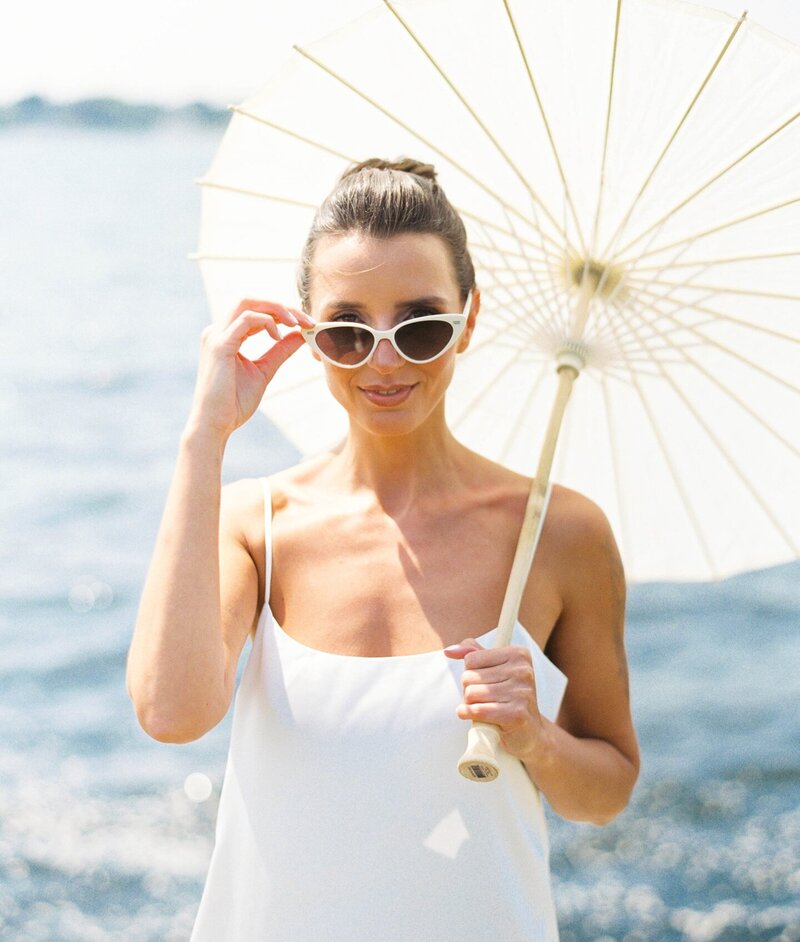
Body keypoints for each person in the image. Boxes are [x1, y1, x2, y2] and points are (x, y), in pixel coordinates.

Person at [126, 158, 640, 941]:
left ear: (469, 319)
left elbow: (603, 792)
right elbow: (171, 712)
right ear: (309, 333)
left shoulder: (562, 533)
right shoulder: (255, 524)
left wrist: (534, 736)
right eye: (348, 329)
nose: (385, 359)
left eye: (421, 323)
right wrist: (205, 437)